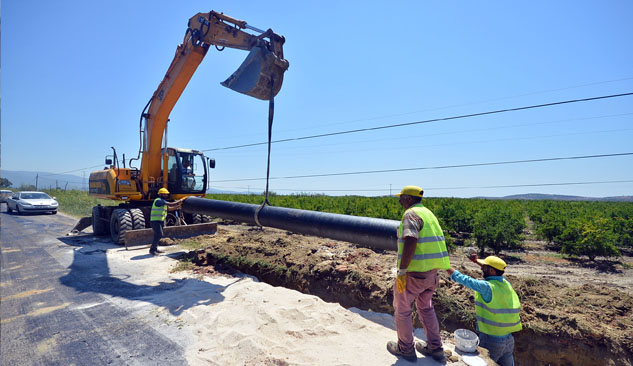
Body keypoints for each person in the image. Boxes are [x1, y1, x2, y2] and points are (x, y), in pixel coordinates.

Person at [386, 185, 450, 362]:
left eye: (401, 197)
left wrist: (402, 271)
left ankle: (405, 349)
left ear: (408, 198)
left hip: (414, 274)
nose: (399, 200)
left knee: (403, 310)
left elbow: (411, 240)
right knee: (426, 308)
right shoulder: (429, 214)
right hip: (431, 274)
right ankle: (435, 348)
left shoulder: (410, 215)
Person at [446, 254, 522, 366]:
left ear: (491, 271)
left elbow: (464, 279)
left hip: (491, 340)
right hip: (508, 340)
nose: (481, 268)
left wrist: (445, 265)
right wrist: (476, 261)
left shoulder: (487, 287)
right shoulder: (506, 284)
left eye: (484, 267)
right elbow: (494, 269)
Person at [149, 187, 183, 256]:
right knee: (159, 234)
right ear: (160, 194)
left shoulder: (163, 202)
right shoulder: (159, 200)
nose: (166, 195)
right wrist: (180, 200)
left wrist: (178, 207)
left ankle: (155, 248)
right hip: (155, 221)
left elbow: (169, 209)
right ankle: (152, 250)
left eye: (166, 194)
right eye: (164, 194)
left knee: (158, 235)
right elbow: (170, 204)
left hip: (160, 220)